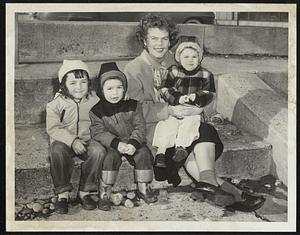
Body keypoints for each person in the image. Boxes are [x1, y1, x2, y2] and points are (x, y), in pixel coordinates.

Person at [124, 13, 265, 211]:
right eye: (154, 38)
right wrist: (170, 110)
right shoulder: (133, 69)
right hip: (155, 134)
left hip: (182, 128)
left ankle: (217, 188)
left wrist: (196, 107)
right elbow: (132, 111)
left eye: (164, 38)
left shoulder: (175, 65)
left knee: (199, 137)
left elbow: (201, 93)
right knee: (201, 137)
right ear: (144, 40)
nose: (159, 44)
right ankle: (234, 194)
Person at [89, 62, 157, 211]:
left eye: (119, 87)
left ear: (125, 88)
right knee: (110, 158)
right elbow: (98, 132)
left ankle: (143, 186)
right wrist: (116, 143)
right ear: (101, 90)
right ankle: (105, 191)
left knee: (144, 153)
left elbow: (140, 126)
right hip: (114, 144)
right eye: (109, 88)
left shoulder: (133, 105)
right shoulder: (96, 110)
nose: (115, 93)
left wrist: (133, 143)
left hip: (133, 141)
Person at [46, 59, 107, 214]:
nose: (79, 87)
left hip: (87, 139)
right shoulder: (55, 104)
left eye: (83, 82)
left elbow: (110, 107)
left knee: (98, 151)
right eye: (72, 83)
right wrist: (72, 141)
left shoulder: (95, 100)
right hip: (65, 141)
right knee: (56, 151)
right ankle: (63, 194)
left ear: (89, 83)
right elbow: (53, 128)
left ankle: (85, 191)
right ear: (63, 85)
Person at [152, 40, 215, 168]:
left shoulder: (206, 74)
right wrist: (178, 98)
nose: (190, 60)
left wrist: (196, 96)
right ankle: (161, 153)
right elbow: (165, 89)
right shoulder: (173, 71)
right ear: (179, 58)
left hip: (192, 110)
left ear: (200, 58)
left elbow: (209, 93)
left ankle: (180, 147)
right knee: (167, 125)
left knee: (190, 124)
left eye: (194, 57)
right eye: (186, 57)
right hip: (175, 108)